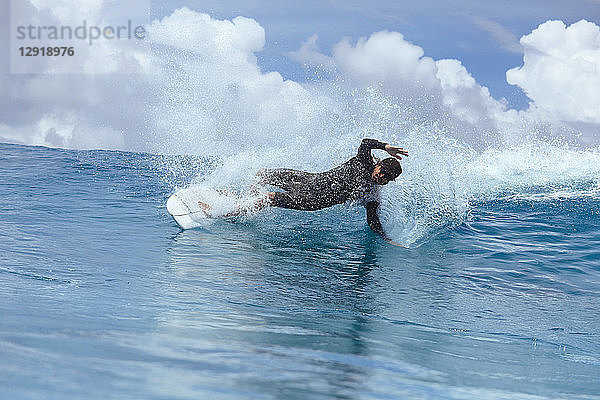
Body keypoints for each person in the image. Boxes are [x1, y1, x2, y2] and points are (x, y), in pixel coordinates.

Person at [254, 138, 407, 242]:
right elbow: (366, 143)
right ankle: (245, 199)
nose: (381, 176)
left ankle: (235, 209)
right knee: (262, 175)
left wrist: (387, 239)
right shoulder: (364, 161)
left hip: (313, 201)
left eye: (386, 176)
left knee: (271, 198)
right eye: (382, 171)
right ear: (378, 165)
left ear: (388, 181)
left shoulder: (371, 194)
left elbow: (373, 221)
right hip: (311, 180)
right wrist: (385, 147)